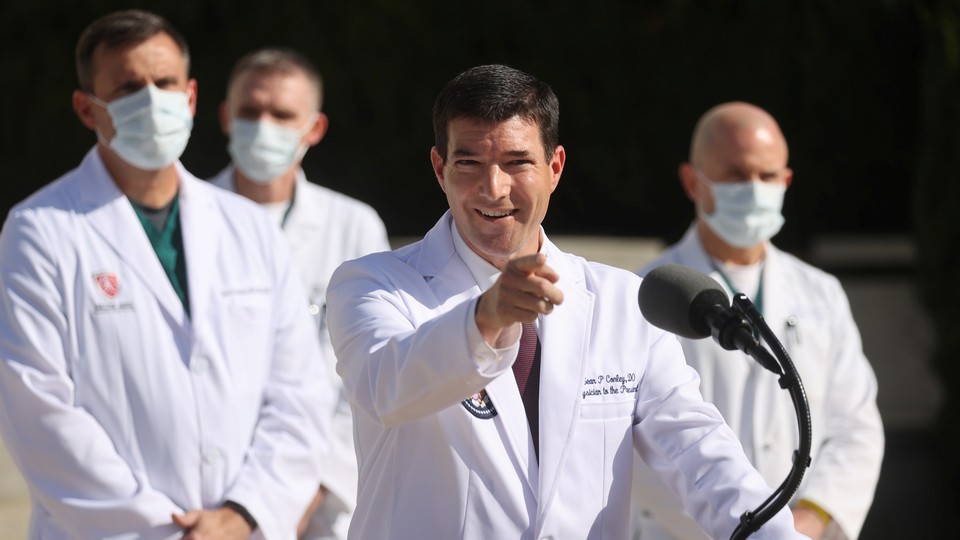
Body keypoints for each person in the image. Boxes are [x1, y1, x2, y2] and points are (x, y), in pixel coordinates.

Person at [325, 64, 809, 539]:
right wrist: (484, 320)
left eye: (517, 162)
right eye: (469, 163)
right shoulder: (371, 284)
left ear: (554, 168)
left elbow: (695, 448)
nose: (494, 189)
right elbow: (387, 387)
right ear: (440, 169)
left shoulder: (621, 302)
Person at [0, 10, 332, 539]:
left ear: (192, 96)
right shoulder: (40, 230)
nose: (151, 100)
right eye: (129, 87)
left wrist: (245, 514)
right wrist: (168, 529)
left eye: (164, 83)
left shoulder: (248, 227)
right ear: (87, 109)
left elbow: (299, 393)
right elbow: (36, 410)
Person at [632, 102, 884, 540]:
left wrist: (806, 521)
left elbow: (856, 426)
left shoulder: (820, 292)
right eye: (735, 174)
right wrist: (748, 529)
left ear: (786, 181)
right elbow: (640, 447)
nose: (754, 188)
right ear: (693, 182)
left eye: (767, 176)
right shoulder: (648, 297)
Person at [209, 47, 390, 540]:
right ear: (226, 117)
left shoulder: (352, 226)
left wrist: (300, 495)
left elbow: (366, 372)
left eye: (282, 114)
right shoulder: (189, 220)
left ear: (314, 128)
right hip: (210, 487)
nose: (263, 125)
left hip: (325, 493)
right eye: (250, 112)